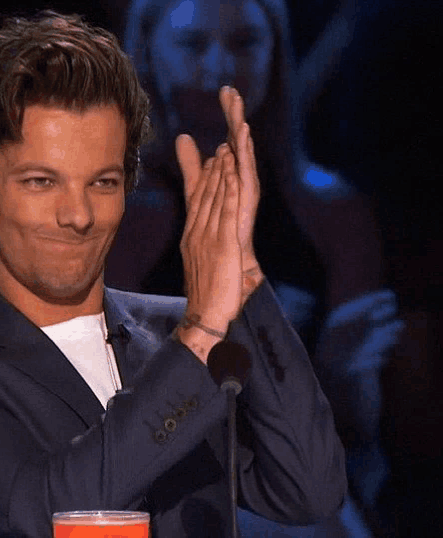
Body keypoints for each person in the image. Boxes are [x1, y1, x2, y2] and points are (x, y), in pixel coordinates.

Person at [0, 11, 346, 537]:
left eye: (103, 182)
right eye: (42, 181)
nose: (79, 216)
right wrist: (202, 334)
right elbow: (39, 518)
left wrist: (243, 274)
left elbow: (310, 490)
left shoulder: (176, 336)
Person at [109, 1, 405, 534]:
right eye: (193, 45)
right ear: (150, 56)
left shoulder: (330, 211)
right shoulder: (119, 215)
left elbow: (360, 430)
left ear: (276, 55)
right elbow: (113, 412)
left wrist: (344, 380)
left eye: (245, 44)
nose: (220, 68)